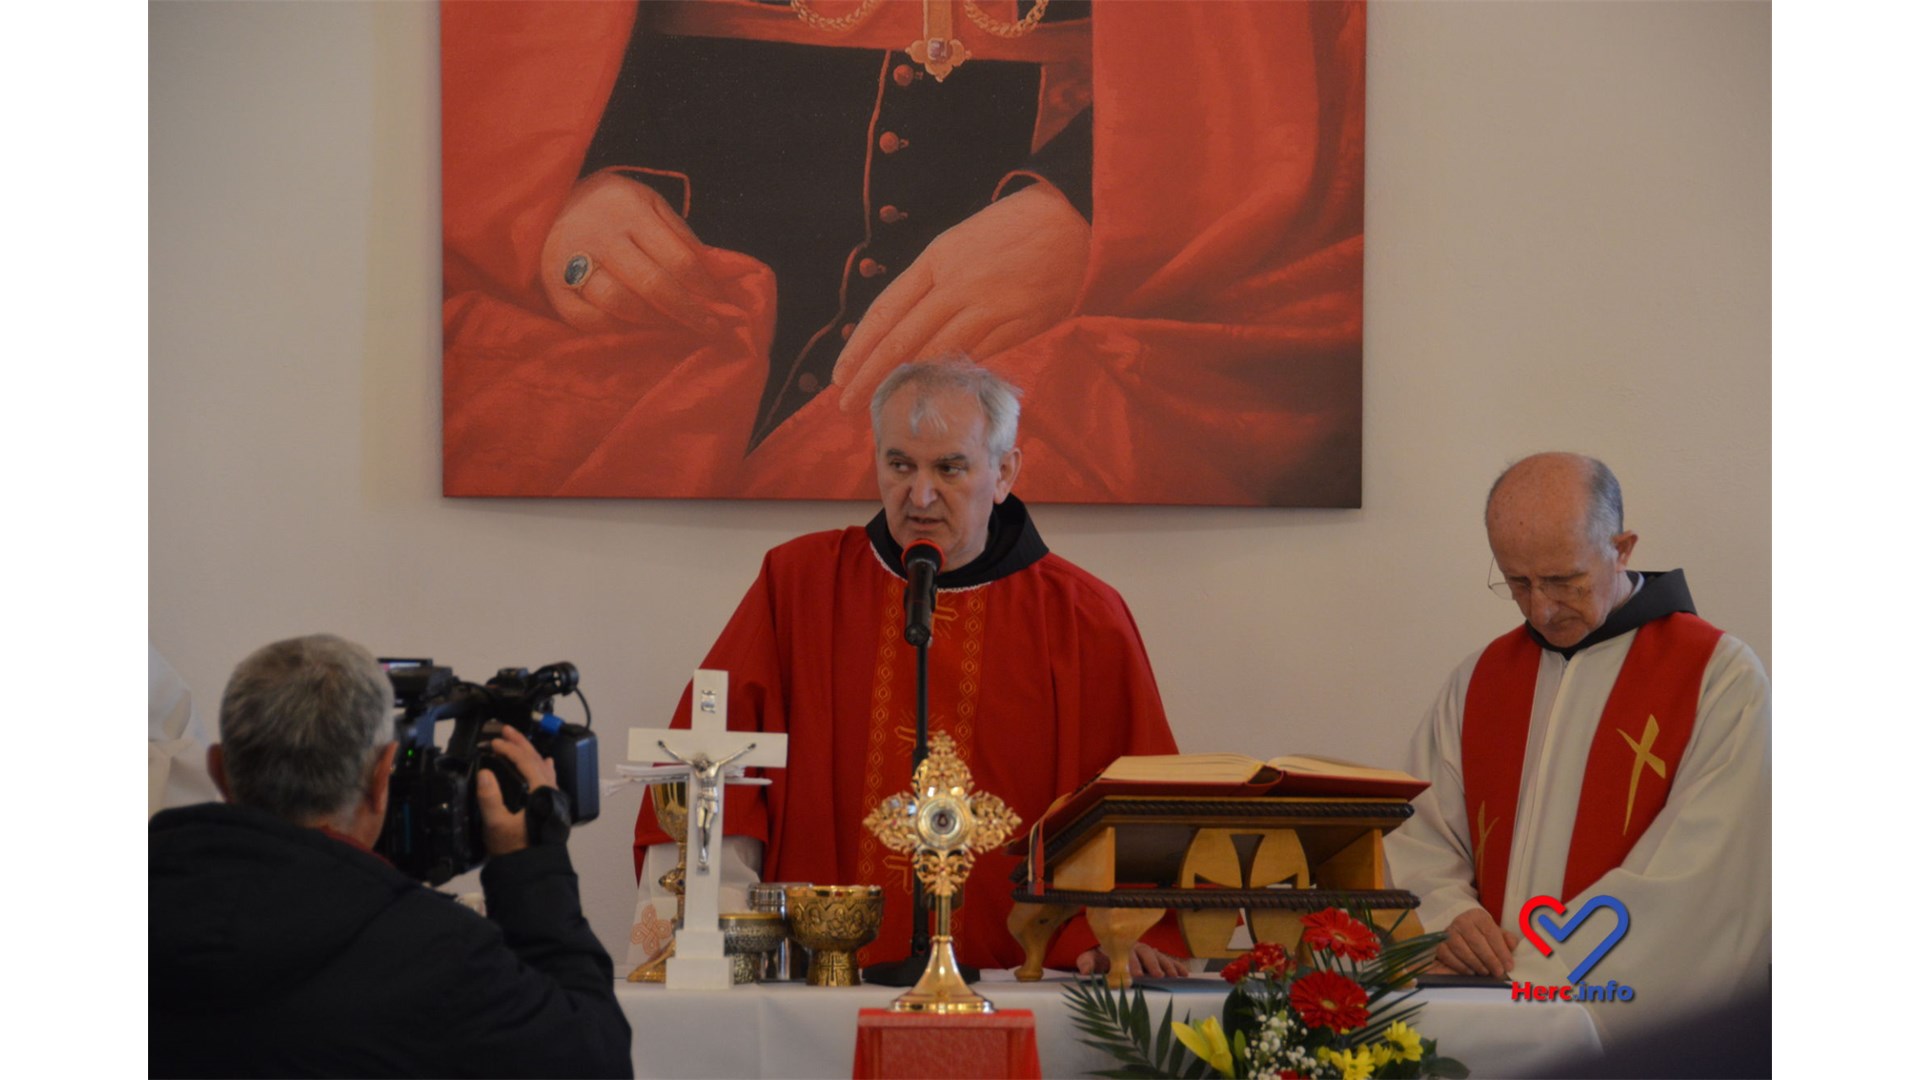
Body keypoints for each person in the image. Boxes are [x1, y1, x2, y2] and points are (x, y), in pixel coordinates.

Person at [441, 1, 1365, 506]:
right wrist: (562, 192)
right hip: (664, 294)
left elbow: (1283, 74)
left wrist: (1090, 207)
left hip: (1060, 304)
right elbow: (521, 56)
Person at [629, 356, 1188, 976]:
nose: (919, 496)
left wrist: (1111, 934)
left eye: (950, 468)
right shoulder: (799, 585)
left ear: (1004, 472)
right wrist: (722, 929)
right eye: (900, 465)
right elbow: (712, 765)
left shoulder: (1085, 617)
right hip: (821, 981)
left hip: (1018, 979)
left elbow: (1140, 806)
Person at [1385, 453, 1769, 1042]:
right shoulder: (1481, 680)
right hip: (1481, 1004)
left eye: (1564, 581)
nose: (1540, 608)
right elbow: (1419, 830)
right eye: (1517, 582)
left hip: (1610, 1024)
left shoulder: (1719, 677)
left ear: (1622, 549)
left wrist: (1540, 979)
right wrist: (1446, 914)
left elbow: (1700, 878)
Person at [149, 635, 632, 1078]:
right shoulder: (433, 953)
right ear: (383, 777)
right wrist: (532, 868)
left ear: (219, 770)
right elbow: (594, 1061)